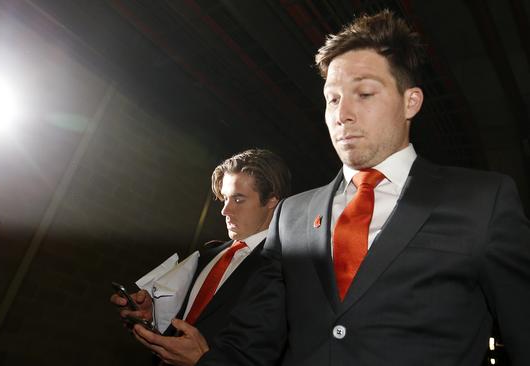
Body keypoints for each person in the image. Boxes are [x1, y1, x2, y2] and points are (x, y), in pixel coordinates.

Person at [198, 10, 530, 366]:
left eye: (365, 93)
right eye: (334, 99)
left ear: (410, 102)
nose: (342, 114)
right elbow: (250, 342)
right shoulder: (291, 216)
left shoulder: (483, 201)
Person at [110, 148, 291, 366]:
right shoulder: (207, 255)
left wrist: (204, 361)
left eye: (238, 199)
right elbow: (182, 323)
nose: (225, 210)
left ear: (272, 200)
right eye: (224, 198)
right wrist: (153, 315)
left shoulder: (286, 267)